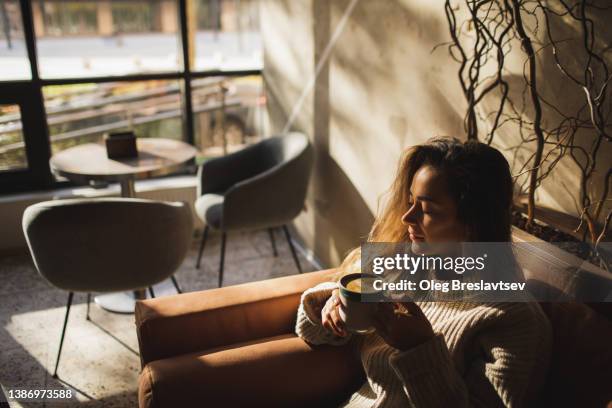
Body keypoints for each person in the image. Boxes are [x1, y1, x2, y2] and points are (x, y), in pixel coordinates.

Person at [295, 137, 552, 407]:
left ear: (472, 224)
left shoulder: (513, 321)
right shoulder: (404, 270)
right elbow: (308, 332)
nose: (407, 217)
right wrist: (329, 304)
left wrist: (419, 349)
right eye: (410, 202)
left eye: (427, 209)